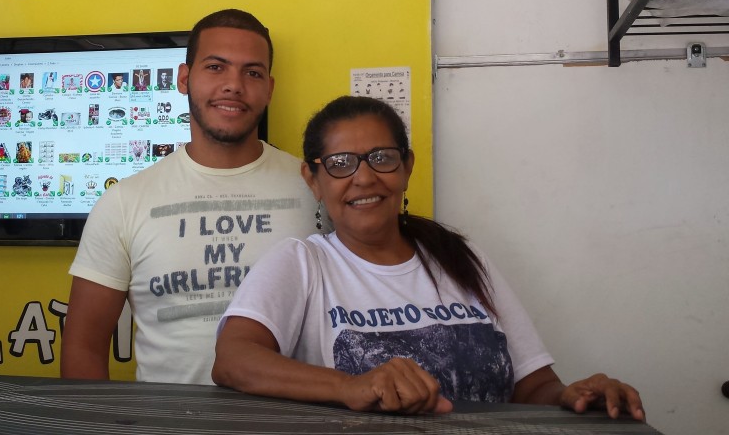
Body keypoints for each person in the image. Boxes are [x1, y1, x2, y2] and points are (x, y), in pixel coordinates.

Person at [212, 95, 646, 419]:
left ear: (406, 167)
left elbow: (534, 387)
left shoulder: (460, 256)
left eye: (381, 158)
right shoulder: (303, 263)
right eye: (341, 163)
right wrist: (350, 387)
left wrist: (577, 396)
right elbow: (233, 361)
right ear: (314, 179)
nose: (364, 178)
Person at [62, 9, 320, 385]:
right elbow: (83, 346)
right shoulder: (124, 202)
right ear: (184, 79)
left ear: (269, 88)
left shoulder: (316, 188)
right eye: (216, 67)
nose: (234, 85)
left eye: (252, 72)